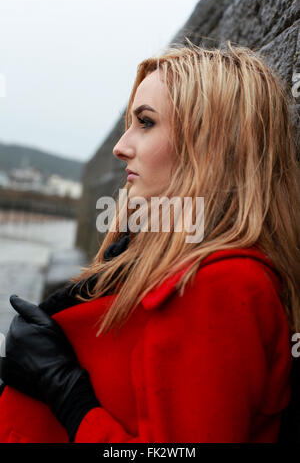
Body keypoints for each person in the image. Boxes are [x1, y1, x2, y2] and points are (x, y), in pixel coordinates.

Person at [0, 38, 300, 443]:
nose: (120, 147)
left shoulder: (220, 286)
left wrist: (64, 390)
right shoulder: (184, 264)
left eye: (146, 122)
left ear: (211, 144)